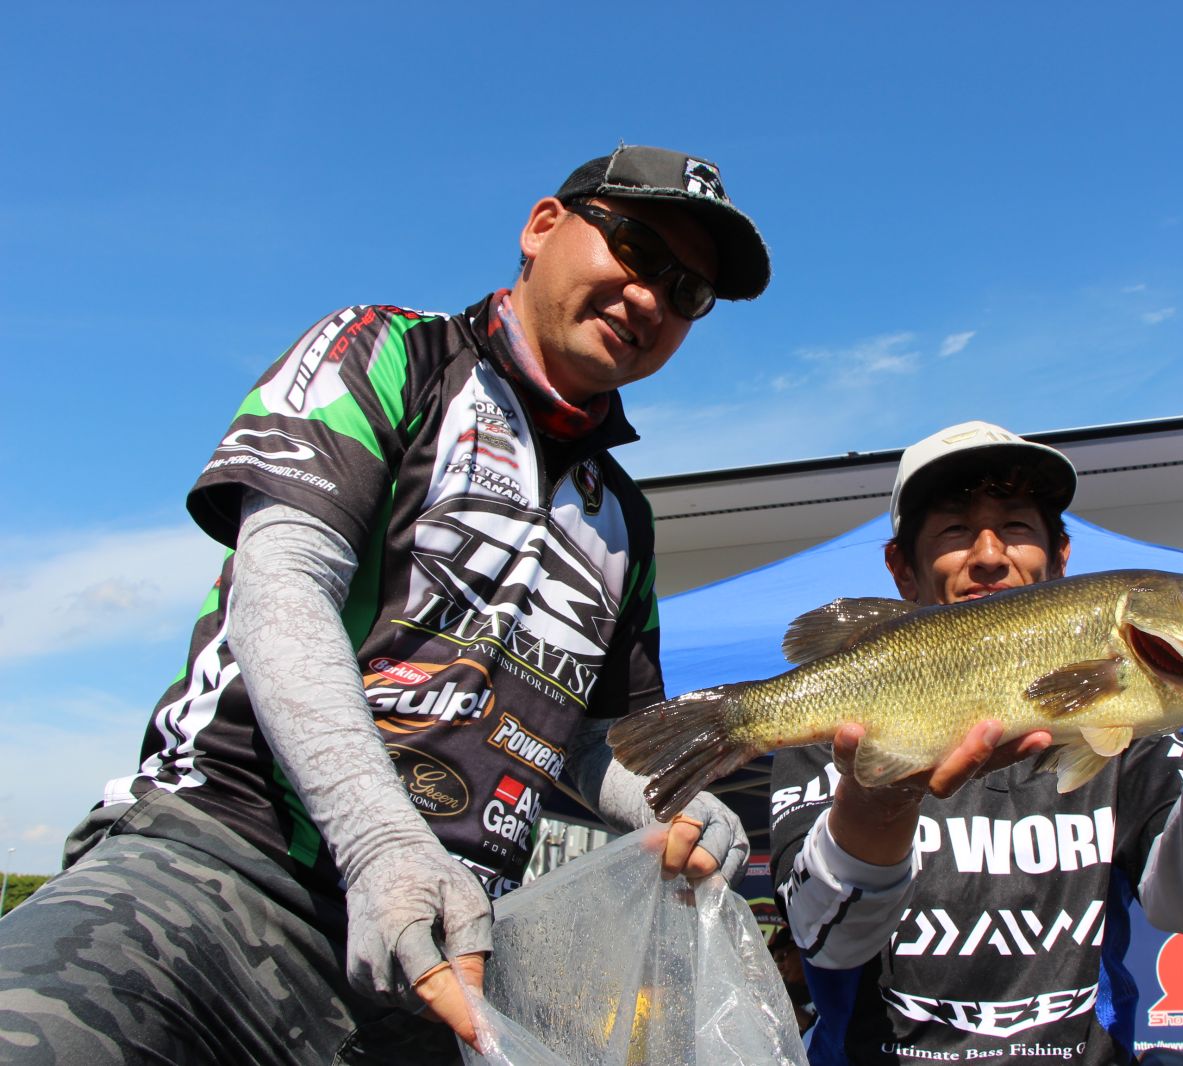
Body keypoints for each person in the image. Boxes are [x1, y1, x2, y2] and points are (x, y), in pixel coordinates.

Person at [0, 144, 769, 1064]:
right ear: (542, 228)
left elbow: (596, 737)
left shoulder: (626, 521)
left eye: (688, 292)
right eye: (637, 248)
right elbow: (284, 582)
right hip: (215, 872)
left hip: (444, 960)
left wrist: (672, 802)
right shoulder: (391, 350)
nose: (650, 299)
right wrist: (376, 841)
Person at [769, 420, 1183, 1064]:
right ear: (902, 568)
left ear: (1060, 557)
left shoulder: (1136, 726)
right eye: (954, 530)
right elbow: (823, 940)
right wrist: (874, 809)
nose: (988, 554)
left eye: (1016, 526)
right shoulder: (840, 731)